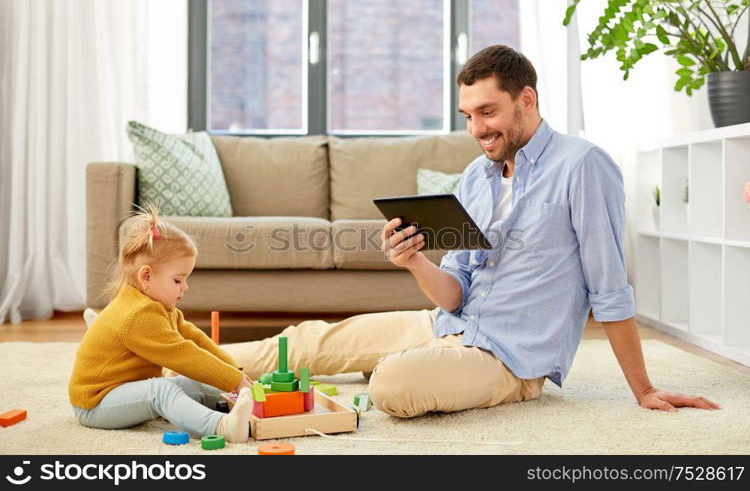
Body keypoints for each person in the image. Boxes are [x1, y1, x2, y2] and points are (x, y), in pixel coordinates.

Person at [223, 45, 719, 419]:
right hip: (446, 327)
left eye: (488, 112)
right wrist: (414, 261)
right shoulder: (474, 177)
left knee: (391, 385)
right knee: (309, 342)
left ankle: (419, 363)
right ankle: (163, 359)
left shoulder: (583, 165)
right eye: (468, 115)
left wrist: (644, 390)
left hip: (507, 359)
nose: (477, 128)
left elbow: (609, 287)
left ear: (526, 99)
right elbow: (454, 293)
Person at [68, 205, 255, 442]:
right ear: (146, 276)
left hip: (123, 391)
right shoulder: (140, 315)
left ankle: (236, 404)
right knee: (162, 391)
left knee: (184, 383)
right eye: (178, 280)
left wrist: (235, 374)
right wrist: (233, 380)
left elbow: (193, 338)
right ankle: (221, 427)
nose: (185, 287)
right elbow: (184, 354)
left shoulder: (156, 305)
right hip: (95, 404)